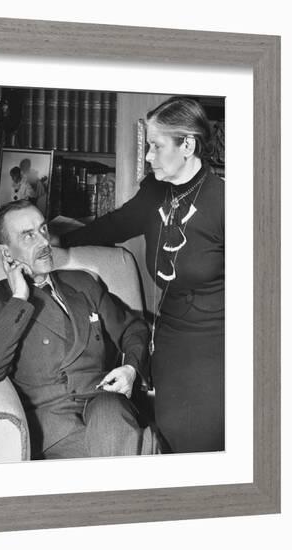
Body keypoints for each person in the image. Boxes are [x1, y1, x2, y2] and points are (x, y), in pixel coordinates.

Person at [59, 97, 224, 454]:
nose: (148, 156)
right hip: (170, 343)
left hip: (220, 347)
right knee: (171, 443)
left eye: (156, 146)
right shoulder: (154, 192)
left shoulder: (229, 202)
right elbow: (114, 225)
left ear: (188, 145)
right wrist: (55, 241)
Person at [0, 200, 154, 460]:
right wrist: (19, 296)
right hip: (53, 425)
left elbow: (132, 328)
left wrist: (131, 369)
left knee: (113, 420)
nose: (43, 242)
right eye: (28, 236)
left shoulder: (82, 283)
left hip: (105, 400)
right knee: (134, 453)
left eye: (42, 230)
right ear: (6, 254)